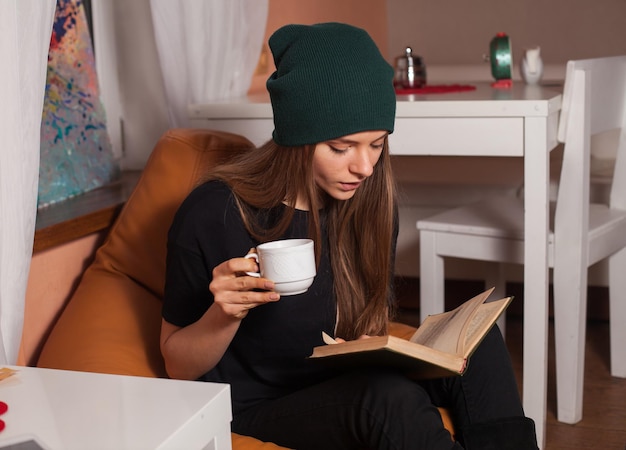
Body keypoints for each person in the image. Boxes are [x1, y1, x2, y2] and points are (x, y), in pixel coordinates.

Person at [160, 22, 538, 450]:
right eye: (342, 148)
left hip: (340, 376)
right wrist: (223, 314)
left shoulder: (370, 201)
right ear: (297, 137)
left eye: (377, 144)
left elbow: (365, 320)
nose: (365, 166)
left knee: (482, 342)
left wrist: (370, 345)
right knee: (388, 400)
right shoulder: (214, 213)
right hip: (261, 402)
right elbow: (176, 364)